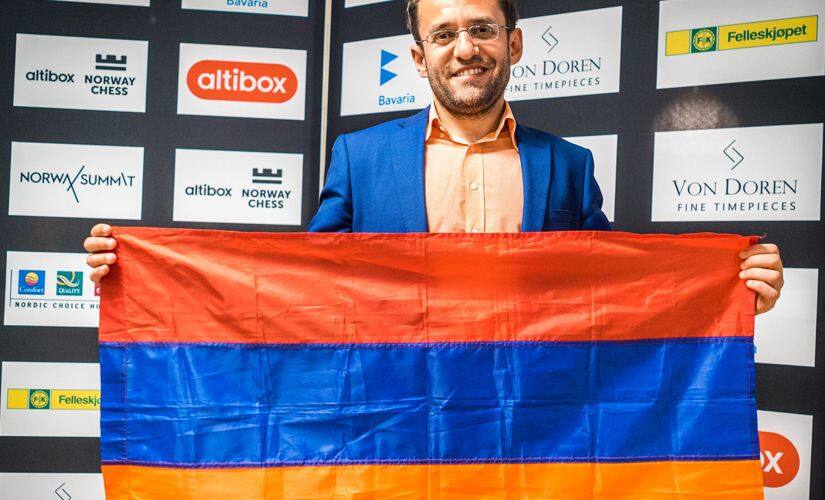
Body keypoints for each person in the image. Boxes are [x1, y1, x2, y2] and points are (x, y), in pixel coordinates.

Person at [84, 0, 783, 313]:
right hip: (395, 410)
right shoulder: (358, 156)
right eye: (443, 34)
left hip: (526, 411)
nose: (465, 49)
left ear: (512, 44)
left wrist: (728, 283)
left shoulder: (567, 165)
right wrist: (144, 275)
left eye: (482, 29)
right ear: (418, 58)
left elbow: (612, 290)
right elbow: (296, 284)